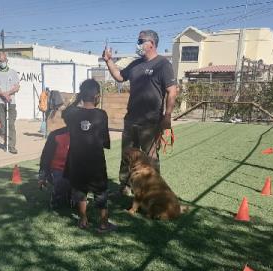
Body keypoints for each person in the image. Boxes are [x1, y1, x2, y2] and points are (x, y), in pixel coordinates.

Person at [102, 29, 177, 196]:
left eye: (140, 41)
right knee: (127, 155)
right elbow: (120, 77)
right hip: (130, 120)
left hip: (150, 122)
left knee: (150, 158)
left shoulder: (163, 65)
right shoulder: (136, 64)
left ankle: (154, 190)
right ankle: (125, 187)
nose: (138, 44)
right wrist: (108, 61)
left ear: (151, 44)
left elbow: (172, 91)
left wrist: (167, 116)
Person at [62, 79, 116, 233]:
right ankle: (104, 224)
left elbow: (65, 113)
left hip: (76, 160)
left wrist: (77, 99)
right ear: (97, 96)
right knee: (100, 191)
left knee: (80, 190)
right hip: (95, 161)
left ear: (81, 95)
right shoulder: (101, 115)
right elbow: (105, 140)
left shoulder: (72, 114)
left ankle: (83, 220)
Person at [0, 52, 20, 154]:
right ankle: (6, 143)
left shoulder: (13, 72)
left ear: (7, 61)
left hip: (11, 102)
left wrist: (8, 93)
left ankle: (11, 146)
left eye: (3, 61)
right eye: (0, 61)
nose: (2, 62)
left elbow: (17, 87)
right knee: (3, 125)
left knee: (10, 124)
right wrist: (2, 94)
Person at [38, 126, 71, 209]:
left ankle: (73, 195)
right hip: (58, 168)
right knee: (62, 183)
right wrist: (42, 176)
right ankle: (56, 197)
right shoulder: (55, 135)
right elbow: (45, 157)